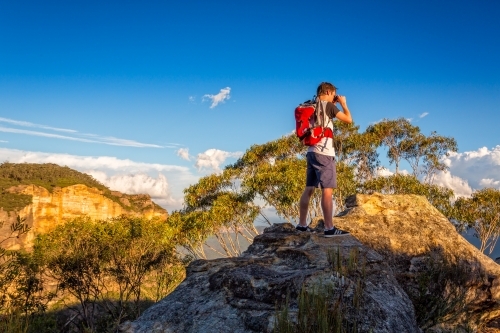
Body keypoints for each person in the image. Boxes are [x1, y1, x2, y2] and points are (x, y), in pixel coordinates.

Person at [296, 82, 353, 237]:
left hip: (311, 152)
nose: (335, 96)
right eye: (334, 94)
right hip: (325, 153)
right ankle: (329, 228)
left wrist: (333, 103)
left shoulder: (312, 105)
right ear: (328, 91)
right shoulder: (328, 107)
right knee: (327, 191)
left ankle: (302, 224)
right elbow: (348, 120)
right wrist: (343, 104)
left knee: (309, 189)